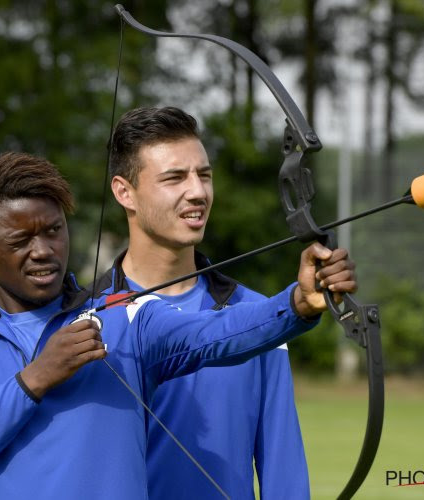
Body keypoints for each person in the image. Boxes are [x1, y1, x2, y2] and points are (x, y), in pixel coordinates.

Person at [0, 151, 356, 500]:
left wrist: (296, 304)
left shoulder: (125, 315)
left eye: (54, 231)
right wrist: (34, 380)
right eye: (20, 239)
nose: (43, 251)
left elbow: (219, 334)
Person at [94, 106, 349, 499]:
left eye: (204, 175)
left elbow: (282, 465)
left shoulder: (260, 313)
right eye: (174, 177)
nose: (197, 191)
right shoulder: (83, 318)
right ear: (124, 192)